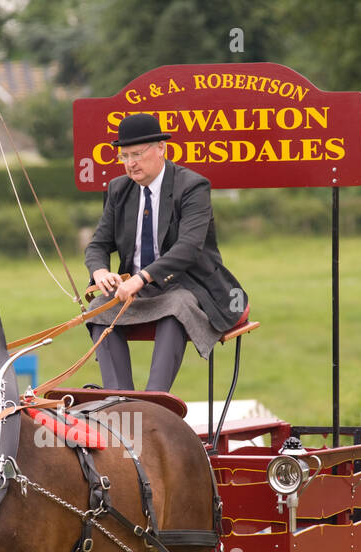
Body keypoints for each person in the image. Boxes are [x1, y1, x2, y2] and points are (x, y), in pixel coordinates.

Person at [84, 112, 248, 393]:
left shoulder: (193, 186)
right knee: (97, 308)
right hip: (137, 288)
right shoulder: (117, 189)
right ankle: (120, 398)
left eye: (136, 154)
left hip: (190, 284)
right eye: (124, 156)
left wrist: (141, 278)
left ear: (161, 148)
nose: (130, 163)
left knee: (176, 308)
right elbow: (98, 243)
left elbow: (188, 247)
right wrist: (99, 271)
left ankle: (155, 400)